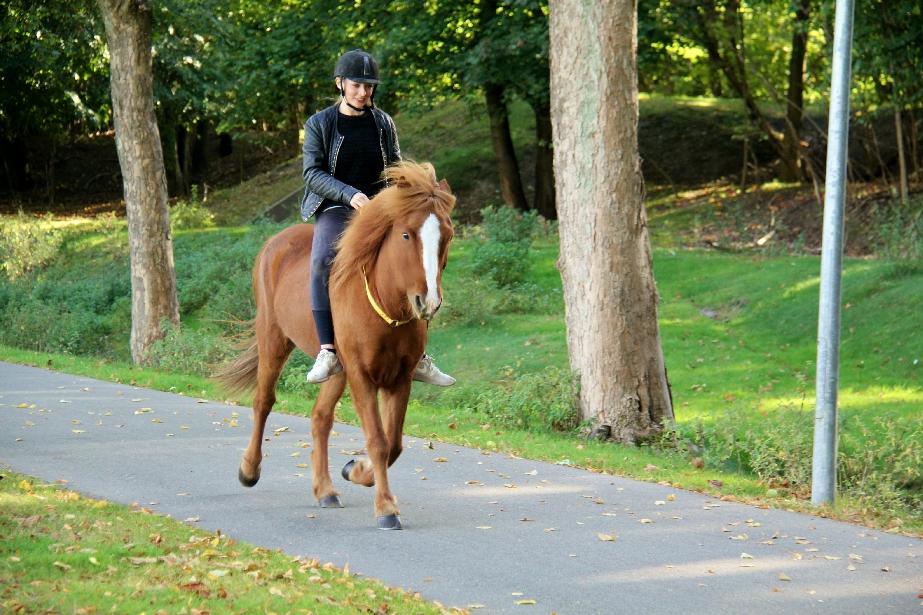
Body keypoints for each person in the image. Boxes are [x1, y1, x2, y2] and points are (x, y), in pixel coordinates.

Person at [300, 49, 455, 386]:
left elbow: (395, 166)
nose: (364, 93)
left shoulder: (383, 122)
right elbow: (312, 173)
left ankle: (419, 356)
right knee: (322, 261)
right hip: (336, 206)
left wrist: (408, 194)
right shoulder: (319, 124)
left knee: (414, 259)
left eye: (369, 87)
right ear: (340, 84)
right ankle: (327, 349)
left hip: (381, 207)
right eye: (357, 86)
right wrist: (349, 194)